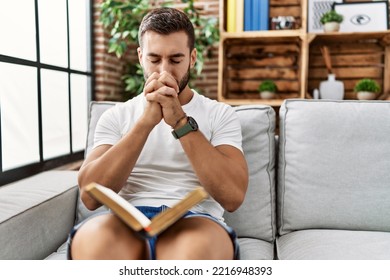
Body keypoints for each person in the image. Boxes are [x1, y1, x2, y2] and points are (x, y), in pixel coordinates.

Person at [68, 7, 248, 260]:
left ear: (192, 58)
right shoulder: (115, 116)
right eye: (154, 60)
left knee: (193, 254)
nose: (164, 72)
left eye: (175, 60)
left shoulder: (220, 114)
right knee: (97, 246)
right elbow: (89, 195)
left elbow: (232, 196)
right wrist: (146, 122)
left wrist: (180, 122)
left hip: (194, 219)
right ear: (141, 57)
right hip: (126, 219)